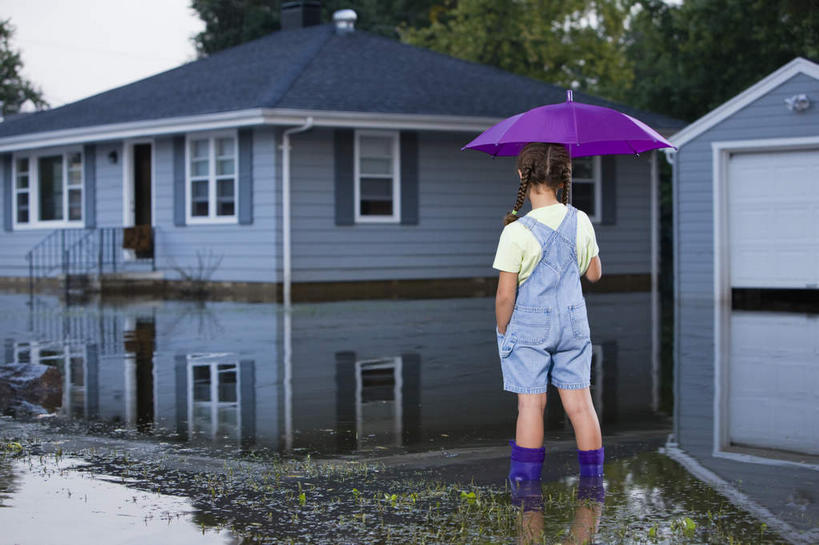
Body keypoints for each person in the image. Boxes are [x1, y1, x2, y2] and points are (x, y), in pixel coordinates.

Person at [493, 142, 604, 488]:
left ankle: (526, 487)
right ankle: (593, 483)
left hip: (529, 327)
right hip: (573, 324)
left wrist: (503, 328)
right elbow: (594, 274)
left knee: (531, 405)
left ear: (522, 175)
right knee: (581, 405)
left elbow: (505, 294)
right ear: (563, 178)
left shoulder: (516, 231)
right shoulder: (580, 220)